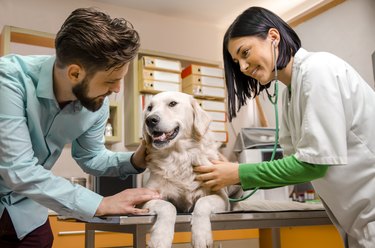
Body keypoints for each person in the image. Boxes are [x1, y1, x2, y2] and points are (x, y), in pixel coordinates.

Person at [194, 6, 375, 248]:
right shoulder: (289, 95)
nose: (243, 67)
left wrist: (237, 173)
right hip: (359, 224)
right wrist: (230, 177)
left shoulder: (318, 69)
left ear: (273, 37)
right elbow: (292, 168)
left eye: (245, 53)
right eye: (237, 62)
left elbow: (312, 165)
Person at [0, 7, 160, 247]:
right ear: (75, 73)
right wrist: (100, 204)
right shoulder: (8, 80)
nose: (117, 89)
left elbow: (91, 157)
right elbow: (18, 169)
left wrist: (135, 161)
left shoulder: (97, 103)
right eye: (110, 80)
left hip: (26, 211)